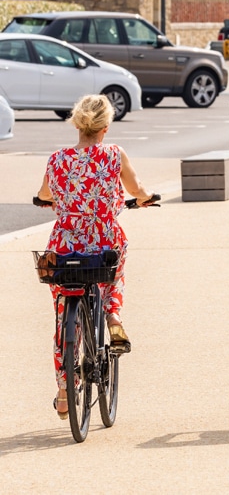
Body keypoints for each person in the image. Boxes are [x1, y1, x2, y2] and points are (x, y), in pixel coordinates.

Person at [36, 93, 154, 421]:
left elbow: (45, 194)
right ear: (105, 128)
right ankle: (113, 316)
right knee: (116, 266)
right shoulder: (114, 154)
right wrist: (145, 198)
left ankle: (64, 394)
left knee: (62, 316)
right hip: (103, 243)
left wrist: (49, 199)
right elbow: (137, 189)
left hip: (65, 246)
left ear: (78, 124)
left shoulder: (58, 159)